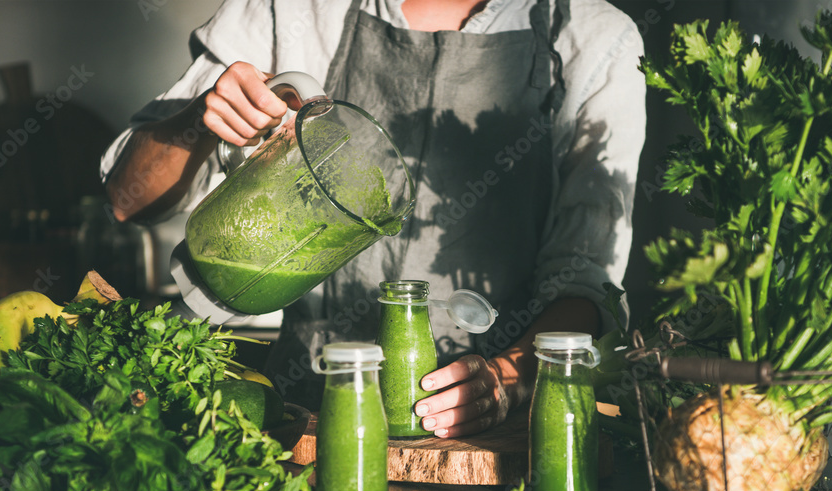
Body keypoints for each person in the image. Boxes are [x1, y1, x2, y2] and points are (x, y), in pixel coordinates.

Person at [101, 0, 646, 439]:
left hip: (497, 439)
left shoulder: (592, 37)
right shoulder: (294, 10)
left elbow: (585, 279)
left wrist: (506, 380)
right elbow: (130, 200)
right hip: (299, 420)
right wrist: (198, 121)